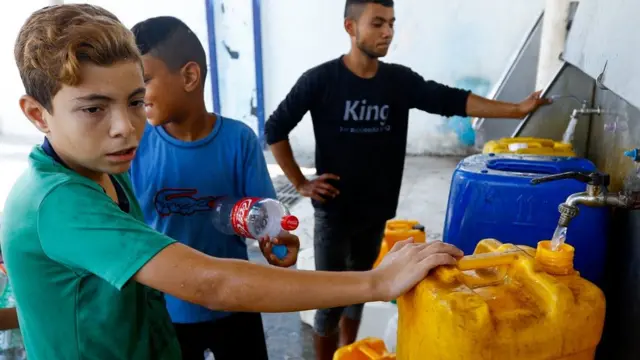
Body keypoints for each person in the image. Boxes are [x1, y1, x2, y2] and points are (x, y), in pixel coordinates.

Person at [0, 4, 464, 359]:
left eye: (136, 100)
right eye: (94, 107)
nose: (127, 127)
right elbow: (210, 283)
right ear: (37, 114)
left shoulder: (102, 167)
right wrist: (374, 283)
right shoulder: (58, 202)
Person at [264, 0, 551, 358]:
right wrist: (302, 183)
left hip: (377, 209)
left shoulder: (397, 81)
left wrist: (516, 109)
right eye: (378, 23)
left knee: (363, 287)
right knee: (330, 299)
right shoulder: (320, 81)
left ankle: (349, 352)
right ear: (350, 28)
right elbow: (275, 128)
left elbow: (451, 100)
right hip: (334, 212)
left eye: (392, 23)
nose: (388, 32)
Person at [128, 16, 291, 360]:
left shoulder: (239, 141)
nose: (136, 97)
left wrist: (276, 237)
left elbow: (265, 217)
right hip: (166, 311)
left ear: (189, 76)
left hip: (235, 304)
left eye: (143, 81)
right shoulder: (134, 147)